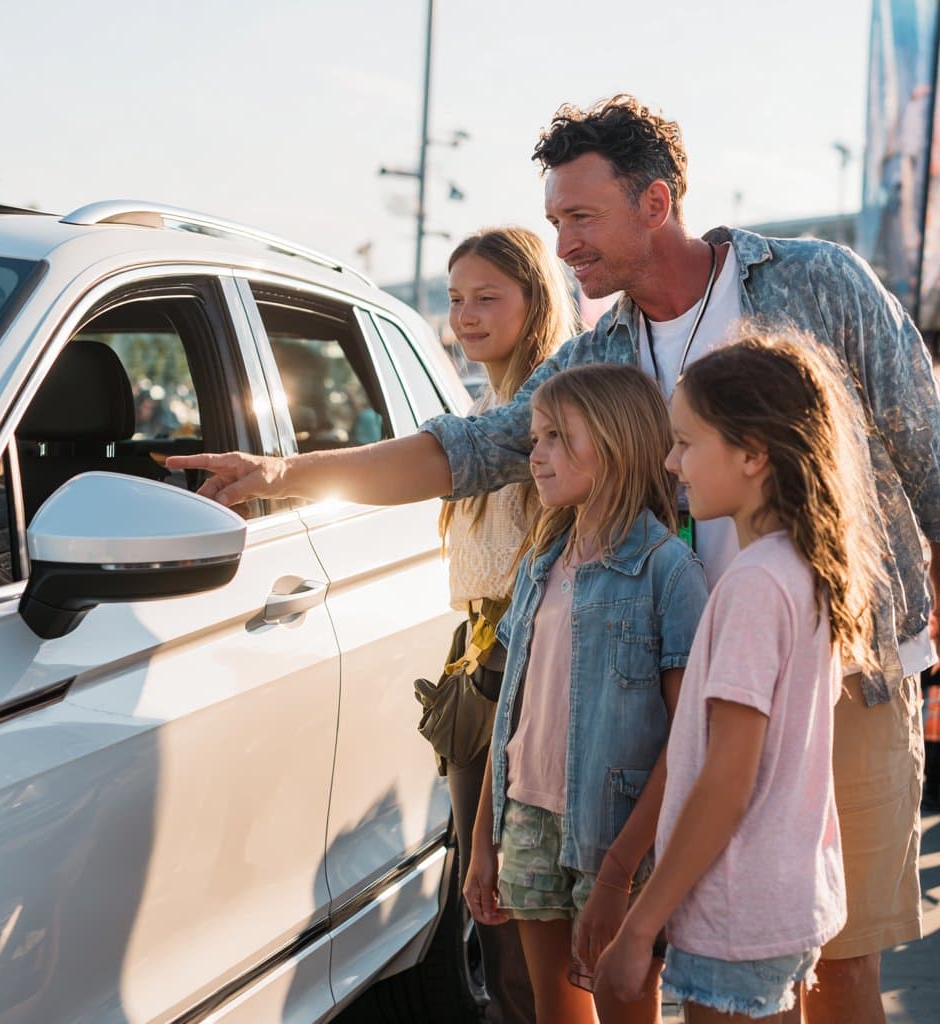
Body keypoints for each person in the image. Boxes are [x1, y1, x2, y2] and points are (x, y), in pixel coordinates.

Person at [168, 94, 940, 1024]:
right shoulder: (600, 350)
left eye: (582, 217)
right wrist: (283, 472)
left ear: (655, 203)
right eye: (555, 222)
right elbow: (471, 449)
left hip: (838, 672)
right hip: (676, 690)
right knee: (710, 963)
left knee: (835, 960)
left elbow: (923, 447)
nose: (566, 244)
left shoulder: (818, 282)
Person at [596, 331, 884, 1021]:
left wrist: (639, 928)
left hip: (737, 909)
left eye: (687, 443)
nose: (671, 463)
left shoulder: (754, 585)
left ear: (754, 453)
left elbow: (728, 779)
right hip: (780, 899)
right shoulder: (799, 568)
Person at [463, 363, 707, 1024]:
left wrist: (617, 873)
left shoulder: (669, 571)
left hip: (617, 836)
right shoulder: (541, 565)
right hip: (529, 822)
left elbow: (689, 743)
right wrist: (484, 841)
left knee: (625, 1005)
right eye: (535, 436)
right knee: (555, 1013)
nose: (535, 453)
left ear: (615, 441)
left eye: (554, 437)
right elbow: (512, 714)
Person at [434, 225, 577, 1024]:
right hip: (472, 666)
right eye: (457, 298)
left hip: (532, 669)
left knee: (528, 921)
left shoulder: (548, 415)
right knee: (486, 913)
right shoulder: (480, 407)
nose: (468, 315)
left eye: (489, 297)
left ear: (536, 299)